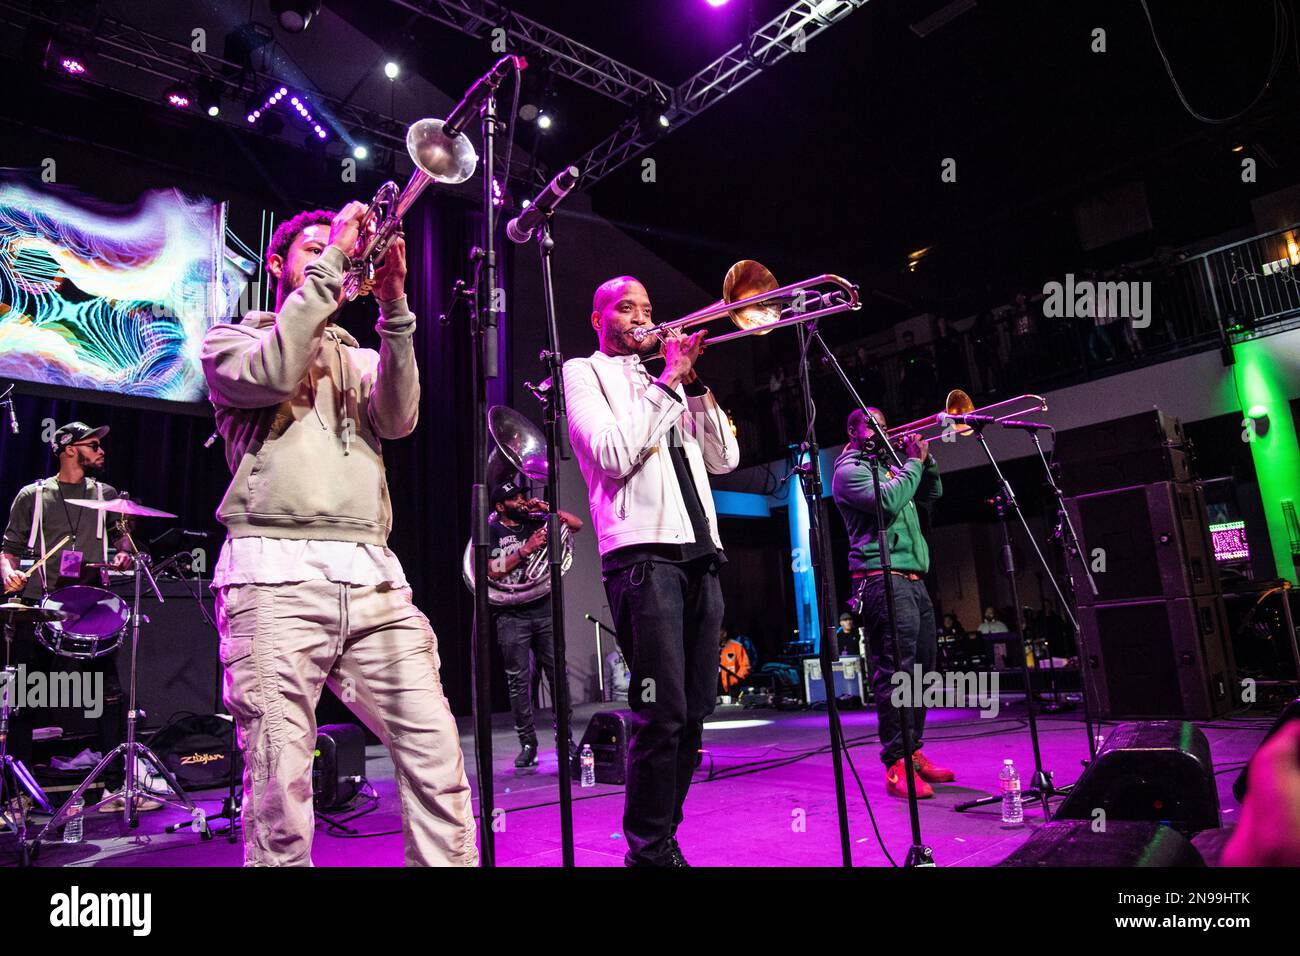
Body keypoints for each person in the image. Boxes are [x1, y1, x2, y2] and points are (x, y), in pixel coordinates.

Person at [200, 204, 476, 866]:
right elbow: (271, 374)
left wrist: (395, 305)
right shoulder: (231, 341)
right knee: (282, 796)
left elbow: (400, 416)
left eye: (340, 251)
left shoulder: (358, 358)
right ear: (277, 264)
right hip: (272, 577)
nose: (337, 259)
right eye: (316, 250)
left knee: (437, 762)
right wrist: (334, 265)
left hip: (375, 578)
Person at [564, 275, 739, 867]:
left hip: (700, 555)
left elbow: (726, 458)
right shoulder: (584, 374)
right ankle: (647, 851)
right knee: (659, 714)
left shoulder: (669, 386)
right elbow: (612, 455)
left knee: (694, 716)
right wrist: (666, 382)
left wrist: (695, 385)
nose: (642, 316)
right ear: (599, 319)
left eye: (647, 307)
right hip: (642, 559)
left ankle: (663, 839)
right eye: (627, 307)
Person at [0, 422, 146, 812]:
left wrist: (124, 552)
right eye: (93, 445)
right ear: (68, 449)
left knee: (110, 696)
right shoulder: (34, 495)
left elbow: (123, 541)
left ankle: (115, 785)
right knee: (24, 699)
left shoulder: (107, 495)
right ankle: (18, 793)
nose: (101, 451)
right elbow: (8, 550)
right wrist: (8, 573)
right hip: (42, 605)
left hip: (91, 606)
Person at [831, 406, 955, 798]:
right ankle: (896, 762)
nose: (884, 432)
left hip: (914, 580)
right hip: (882, 580)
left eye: (886, 426)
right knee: (897, 675)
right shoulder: (848, 471)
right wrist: (912, 465)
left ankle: (913, 751)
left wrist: (926, 460)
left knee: (921, 673)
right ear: (853, 430)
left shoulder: (891, 468)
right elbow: (886, 503)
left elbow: (932, 493)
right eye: (875, 426)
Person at [485, 481, 583, 769]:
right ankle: (527, 743)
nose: (521, 501)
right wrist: (526, 550)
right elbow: (492, 569)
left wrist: (547, 509)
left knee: (558, 678)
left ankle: (565, 740)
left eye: (521, 495)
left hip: (544, 610)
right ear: (501, 506)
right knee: (518, 684)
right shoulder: (493, 531)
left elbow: (576, 524)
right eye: (513, 498)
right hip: (511, 615)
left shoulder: (536, 520)